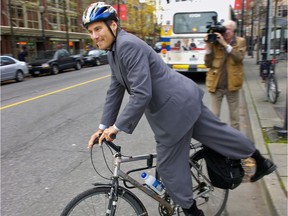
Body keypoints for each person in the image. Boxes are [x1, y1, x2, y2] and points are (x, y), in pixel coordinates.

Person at [83, 3, 277, 216]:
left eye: (98, 29)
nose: (94, 36)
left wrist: (117, 127)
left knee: (168, 168)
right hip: (184, 98)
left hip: (173, 109)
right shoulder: (113, 51)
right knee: (219, 133)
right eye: (91, 31)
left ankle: (193, 213)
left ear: (113, 25)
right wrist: (103, 126)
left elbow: (141, 93)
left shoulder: (128, 45)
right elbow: (116, 87)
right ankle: (261, 161)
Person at [204, 20, 244, 130]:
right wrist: (208, 47)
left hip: (232, 85)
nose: (225, 31)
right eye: (224, 29)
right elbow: (207, 63)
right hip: (216, 85)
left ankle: (236, 143)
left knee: (234, 118)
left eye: (228, 29)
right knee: (214, 116)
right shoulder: (215, 42)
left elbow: (239, 58)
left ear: (234, 31)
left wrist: (225, 45)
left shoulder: (240, 42)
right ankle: (214, 143)